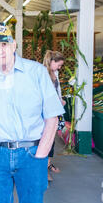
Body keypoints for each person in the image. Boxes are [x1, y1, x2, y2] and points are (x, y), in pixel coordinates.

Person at [0, 22, 65, 203]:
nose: (0, 51)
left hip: (31, 154)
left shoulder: (36, 72)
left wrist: (41, 155)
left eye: (4, 44)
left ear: (13, 45)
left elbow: (52, 117)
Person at [43, 50, 66, 181]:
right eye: (59, 65)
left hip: (54, 111)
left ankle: (48, 164)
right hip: (45, 113)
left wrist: (60, 100)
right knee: (45, 139)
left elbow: (57, 91)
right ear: (52, 62)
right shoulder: (42, 73)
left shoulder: (54, 73)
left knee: (51, 140)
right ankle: (43, 169)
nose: (59, 68)